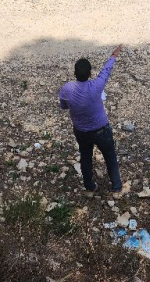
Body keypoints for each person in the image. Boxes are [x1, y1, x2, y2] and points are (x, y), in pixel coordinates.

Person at [59, 45, 123, 196]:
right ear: (90, 73)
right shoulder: (96, 85)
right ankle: (116, 186)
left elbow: (63, 106)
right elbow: (105, 72)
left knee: (86, 157)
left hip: (81, 131)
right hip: (101, 130)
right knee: (110, 156)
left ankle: (89, 186)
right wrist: (113, 56)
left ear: (74, 73)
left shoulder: (67, 89)